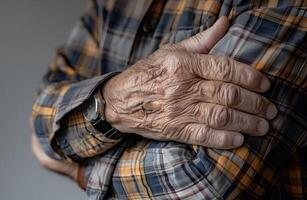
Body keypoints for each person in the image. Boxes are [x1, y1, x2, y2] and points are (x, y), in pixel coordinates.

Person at [31, 0, 307, 199]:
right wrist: (112, 102)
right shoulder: (116, 5)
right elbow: (43, 112)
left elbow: (205, 184)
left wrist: (80, 168)